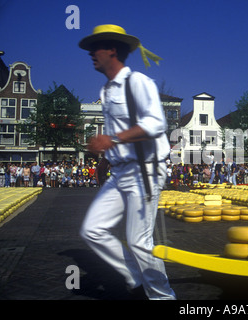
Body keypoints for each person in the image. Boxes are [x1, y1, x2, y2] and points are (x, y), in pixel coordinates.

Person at [78, 24, 175, 300]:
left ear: (112, 49)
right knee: (92, 230)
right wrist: (104, 162)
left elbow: (156, 123)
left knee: (139, 242)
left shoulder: (138, 83)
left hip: (145, 171)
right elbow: (114, 136)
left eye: (95, 49)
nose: (90, 55)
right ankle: (134, 277)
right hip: (120, 172)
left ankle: (162, 296)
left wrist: (112, 140)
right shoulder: (106, 91)